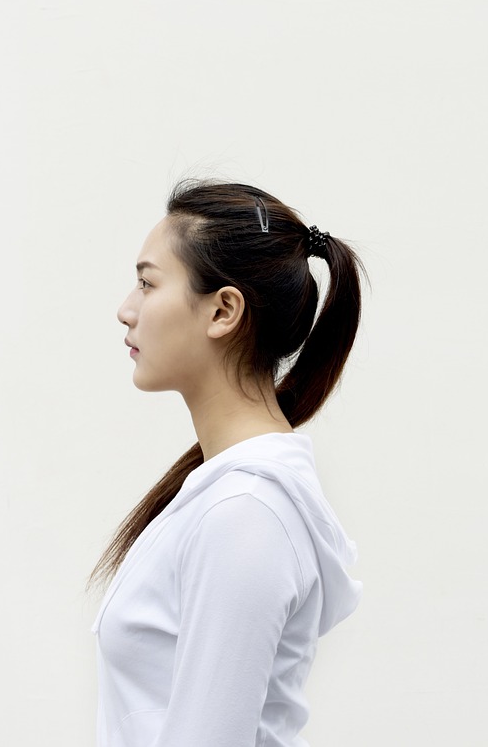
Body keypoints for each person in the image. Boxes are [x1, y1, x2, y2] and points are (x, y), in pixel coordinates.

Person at [91, 180, 364, 747]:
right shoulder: (227, 496)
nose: (125, 310)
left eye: (147, 283)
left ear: (223, 310)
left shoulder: (246, 514)